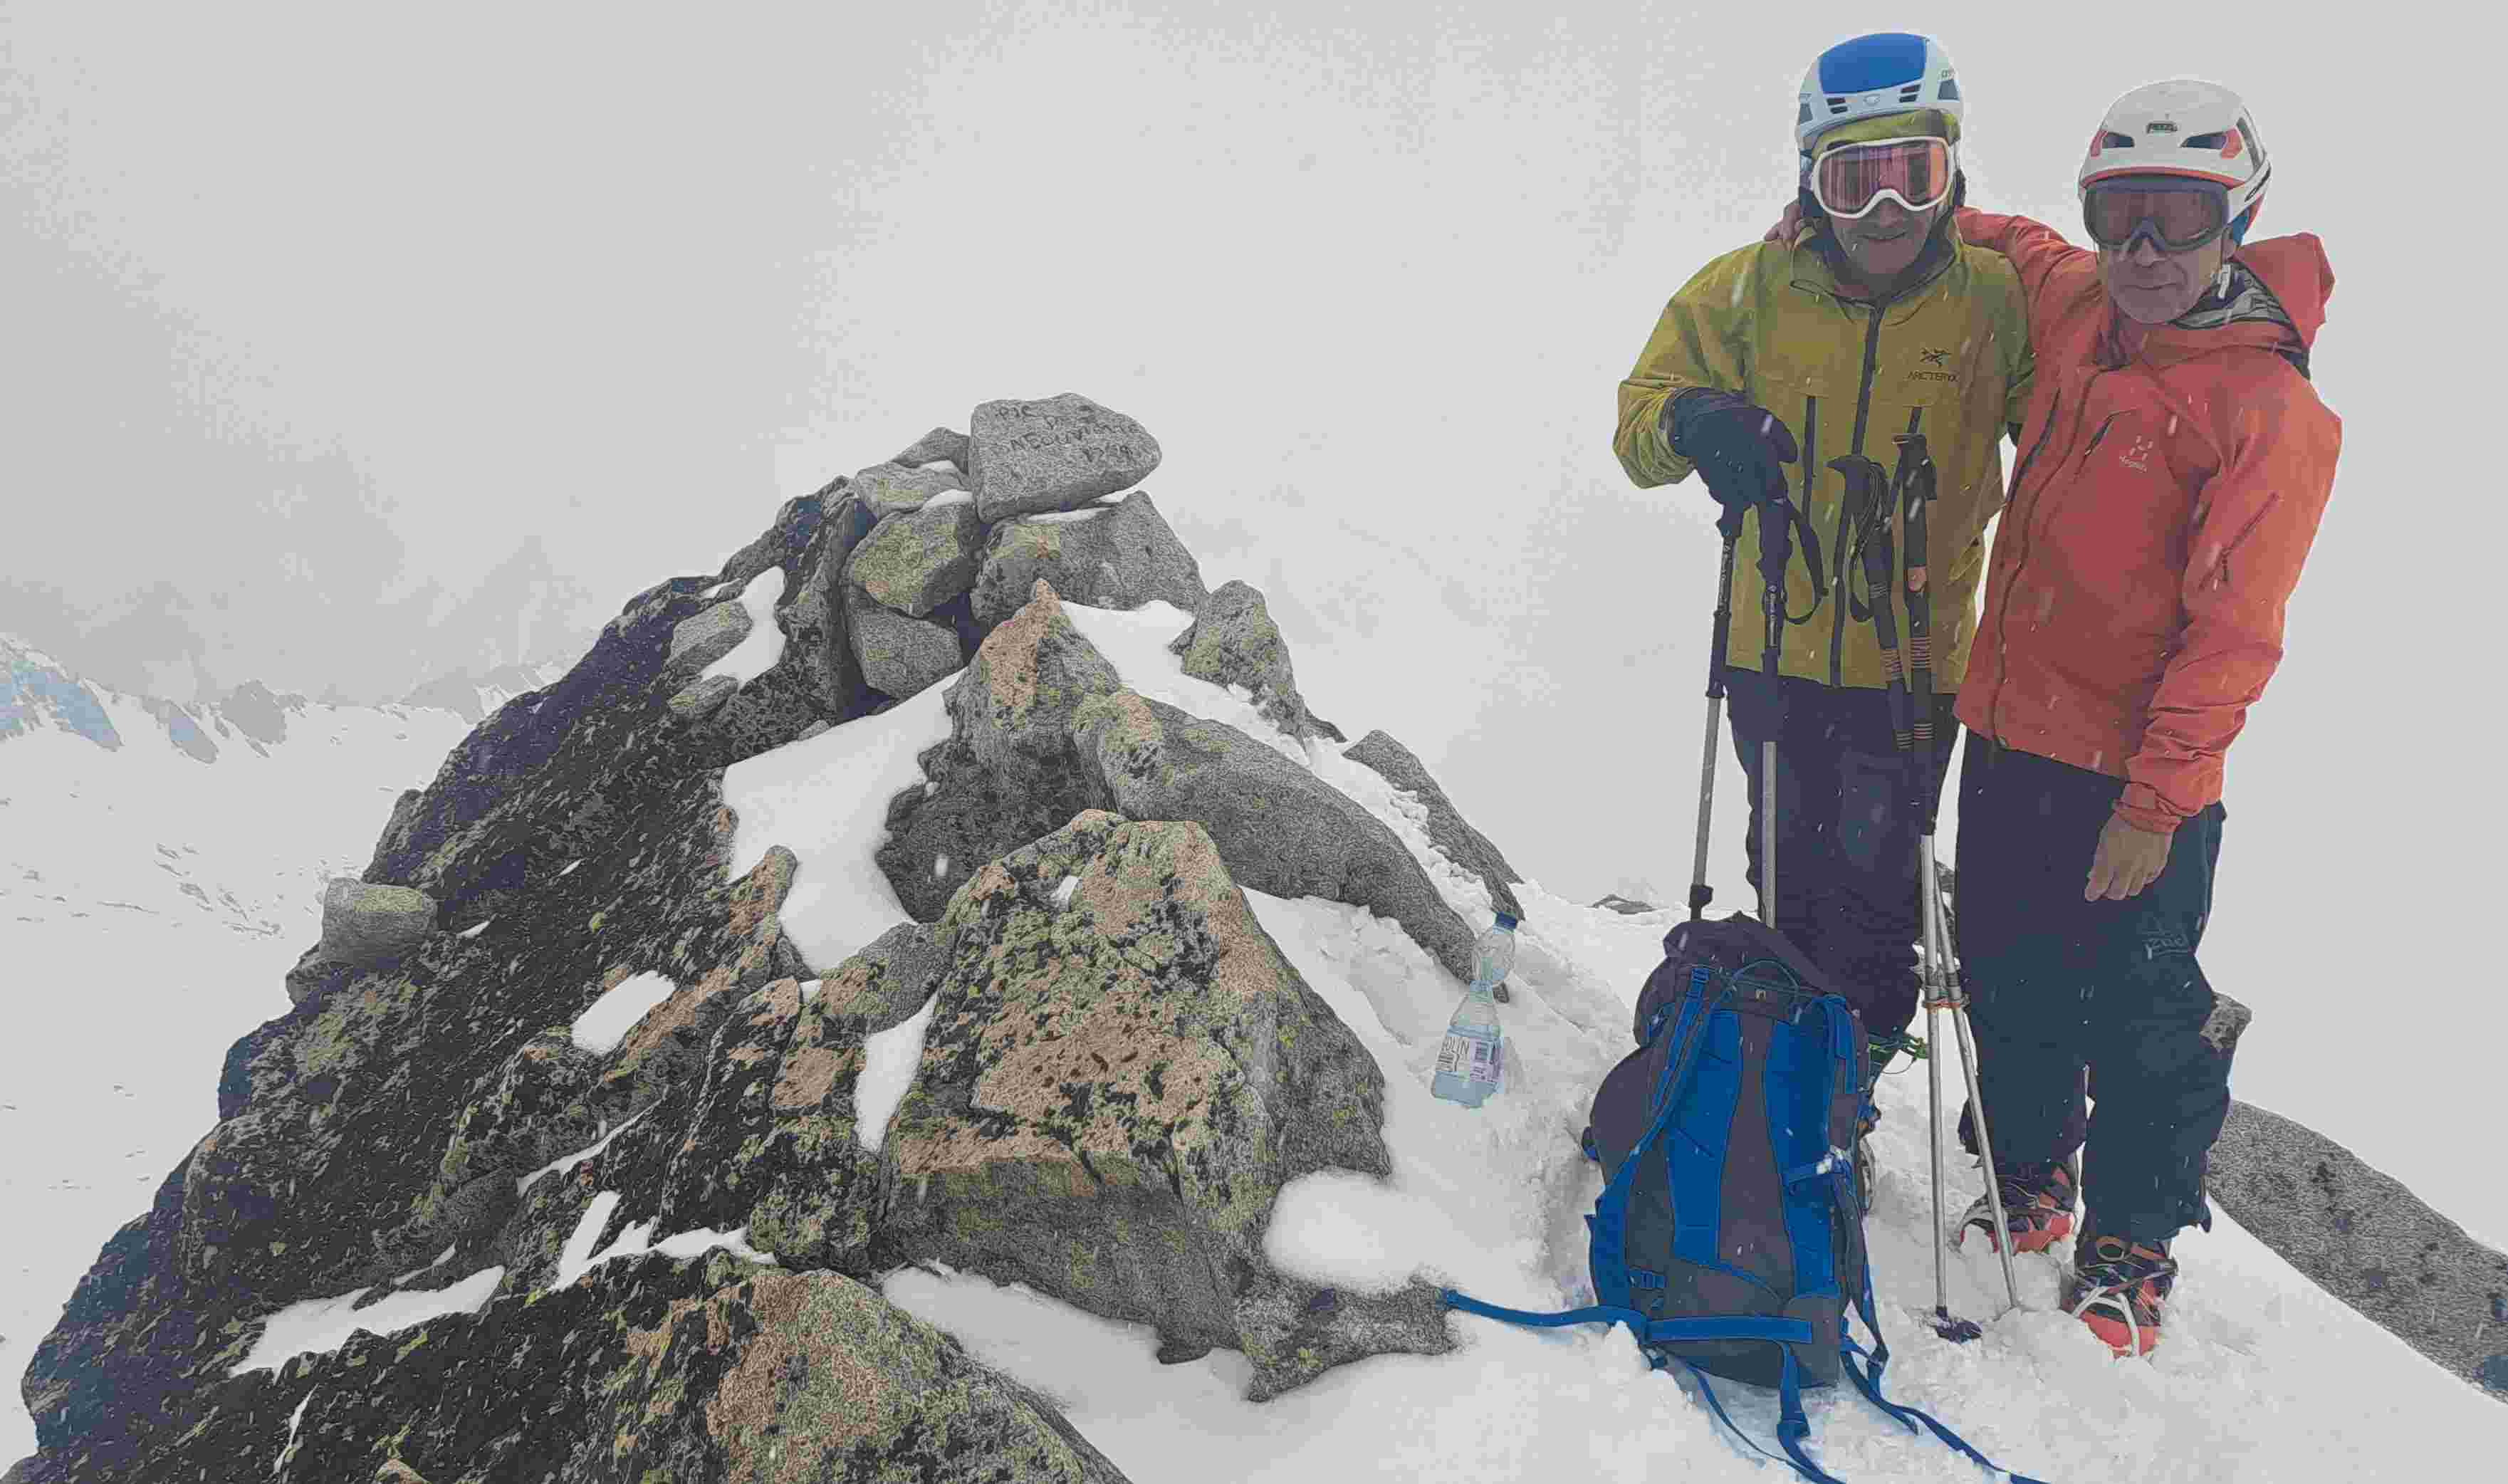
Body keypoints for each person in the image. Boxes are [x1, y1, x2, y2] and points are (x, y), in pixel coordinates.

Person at [1940, 79, 2340, 1358]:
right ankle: (2028, 1177)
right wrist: (1838, 208)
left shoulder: (2266, 411)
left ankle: (2130, 1243)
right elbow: (2010, 242)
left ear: (2240, 216)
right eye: (2123, 215)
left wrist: (2156, 805)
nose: (2146, 251)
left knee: (2142, 1019)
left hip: (2131, 785)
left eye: (2180, 217)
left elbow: (2234, 634)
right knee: (2007, 983)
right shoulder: (2079, 308)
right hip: (2002, 738)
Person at [1613, 33, 2032, 1099]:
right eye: (1854, 182)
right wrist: (1697, 420)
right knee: (1787, 869)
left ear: (1951, 171)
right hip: (1771, 645)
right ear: (1811, 180)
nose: (1884, 213)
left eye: (1911, 176)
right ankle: (1788, 1066)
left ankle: (1850, 1078)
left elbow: (2071, 427)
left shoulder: (1995, 302)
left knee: (1881, 884)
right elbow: (1638, 427)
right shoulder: (1746, 289)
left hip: (1915, 660)